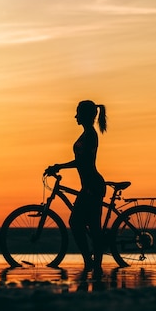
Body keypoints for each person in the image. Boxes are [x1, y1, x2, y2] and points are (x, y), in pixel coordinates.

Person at [45, 100, 107, 275]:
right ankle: (91, 262)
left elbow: (83, 161)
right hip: (89, 185)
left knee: (85, 224)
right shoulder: (87, 133)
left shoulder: (90, 135)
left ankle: (92, 263)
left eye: (78, 112)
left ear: (86, 115)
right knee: (86, 224)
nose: (75, 116)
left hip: (93, 186)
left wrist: (60, 166)